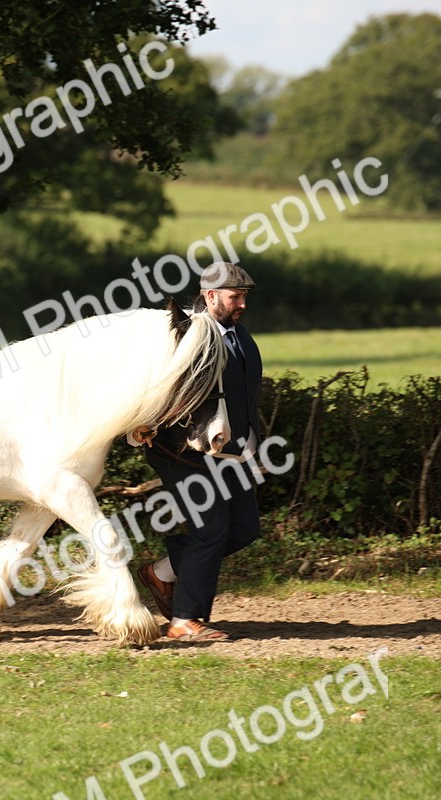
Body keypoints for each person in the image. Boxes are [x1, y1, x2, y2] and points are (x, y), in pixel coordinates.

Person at [131, 262, 262, 641]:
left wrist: (251, 444)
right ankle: (184, 620)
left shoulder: (239, 336)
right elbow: (155, 382)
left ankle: (163, 573)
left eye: (244, 298)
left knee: (244, 529)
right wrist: (142, 424)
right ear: (210, 296)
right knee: (211, 530)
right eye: (235, 297)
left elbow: (244, 399)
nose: (242, 305)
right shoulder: (186, 335)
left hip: (230, 453)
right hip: (179, 449)